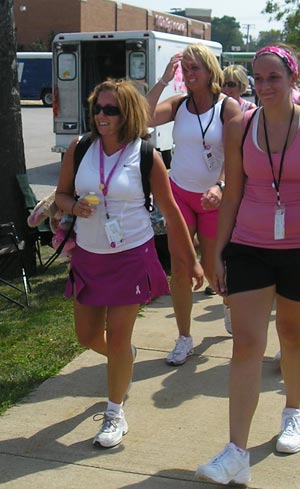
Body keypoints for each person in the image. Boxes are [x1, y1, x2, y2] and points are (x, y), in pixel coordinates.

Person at [195, 45, 300, 485]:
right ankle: (236, 451)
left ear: (291, 79)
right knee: (246, 343)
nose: (264, 86)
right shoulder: (241, 125)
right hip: (250, 244)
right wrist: (219, 250)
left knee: (292, 335)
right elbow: (234, 191)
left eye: (273, 77)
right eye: (258, 79)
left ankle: (293, 412)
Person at [55, 78, 203, 448]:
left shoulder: (146, 156)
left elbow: (171, 213)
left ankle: (114, 412)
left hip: (131, 254)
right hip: (89, 256)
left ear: (128, 114)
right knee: (87, 337)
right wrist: (72, 206)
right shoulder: (80, 147)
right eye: (98, 108)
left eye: (111, 110)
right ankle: (125, 358)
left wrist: (192, 261)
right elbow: (60, 194)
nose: (102, 116)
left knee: (119, 336)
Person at [146, 44, 242, 364]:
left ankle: (228, 306)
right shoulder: (177, 105)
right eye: (184, 69)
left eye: (194, 68)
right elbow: (143, 117)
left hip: (215, 199)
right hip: (180, 196)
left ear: (210, 70)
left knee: (217, 267)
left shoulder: (227, 108)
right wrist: (162, 80)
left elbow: (235, 154)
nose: (188, 75)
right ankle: (184, 337)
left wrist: (221, 185)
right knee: (181, 267)